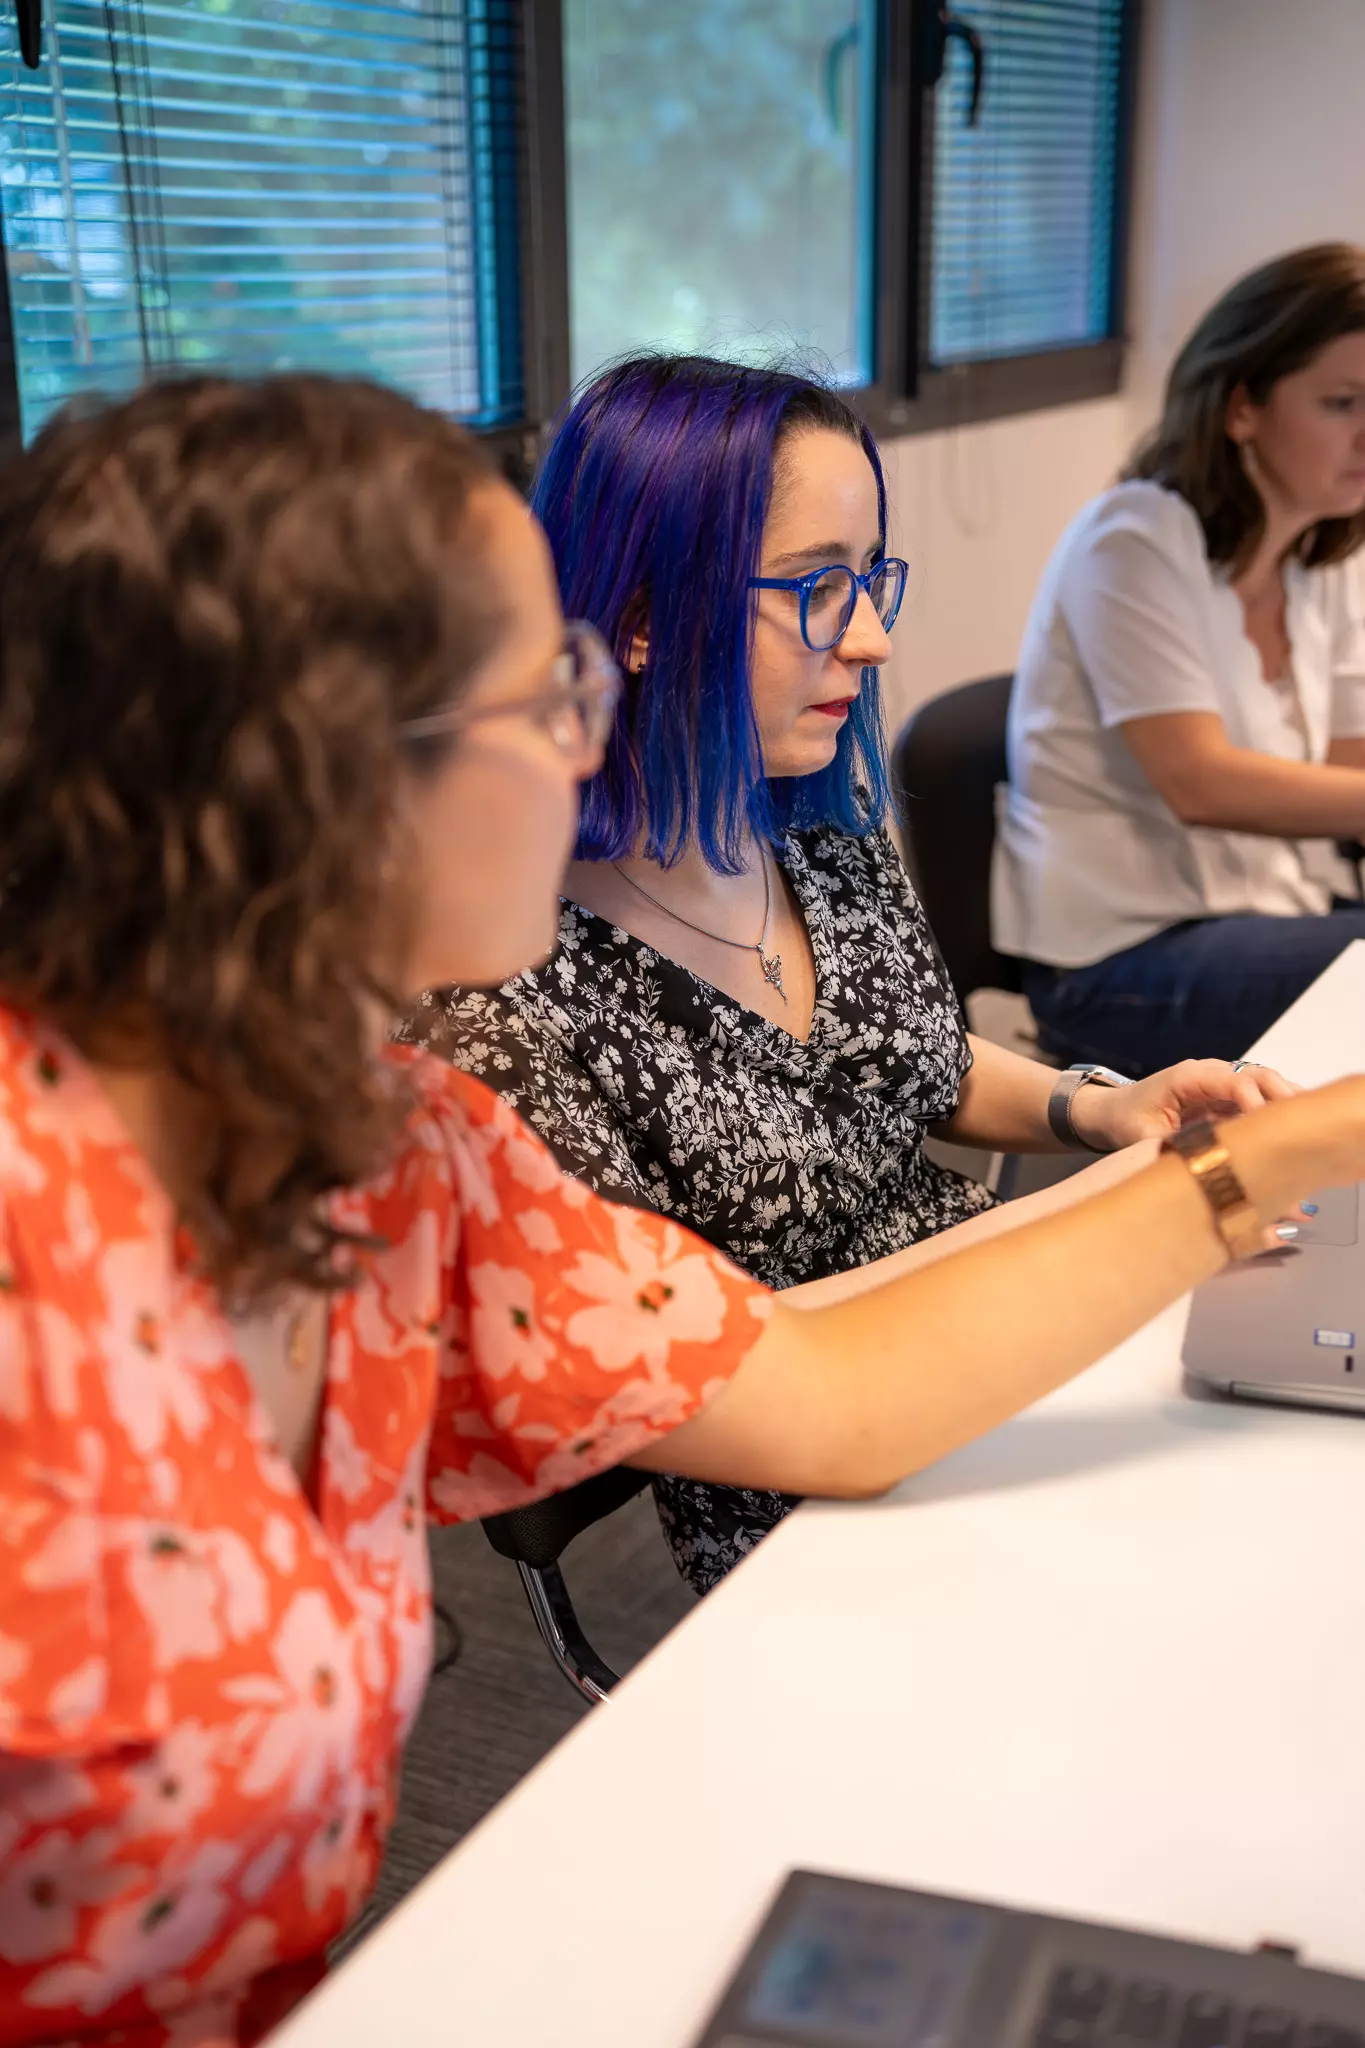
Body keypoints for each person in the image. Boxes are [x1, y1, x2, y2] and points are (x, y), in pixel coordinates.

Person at [2, 378, 1363, 2048]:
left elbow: (829, 1384)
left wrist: (1262, 1160)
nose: (588, 737)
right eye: (546, 687)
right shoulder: (54, 1232)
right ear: (319, 768)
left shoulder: (403, 1152)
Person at [410, 353, 1296, 1594]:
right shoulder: (501, 982)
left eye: (872, 578)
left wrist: (1096, 1106)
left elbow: (910, 1056)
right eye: (821, 588)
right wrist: (1142, 1204)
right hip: (826, 1495)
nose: (874, 637)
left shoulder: (803, 816)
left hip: (994, 1331)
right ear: (646, 615)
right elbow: (751, 1362)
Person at [994, 242, 1365, 1075]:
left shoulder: (1324, 559)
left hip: (1274, 914)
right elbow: (1200, 784)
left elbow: (1345, 780)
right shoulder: (1132, 539)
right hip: (1119, 964)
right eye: (1342, 402)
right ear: (1240, 407)